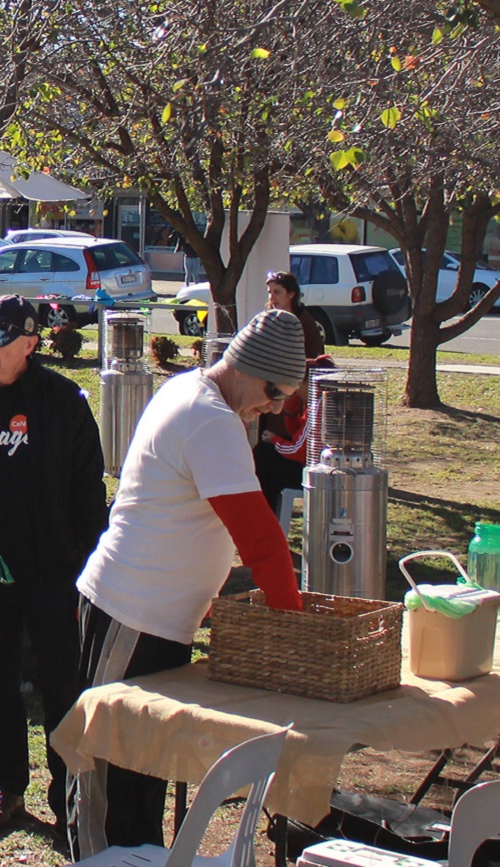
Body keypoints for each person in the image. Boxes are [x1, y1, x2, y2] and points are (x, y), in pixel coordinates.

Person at [72, 308, 308, 852]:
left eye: (285, 401)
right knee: (107, 775)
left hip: (158, 622)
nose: (271, 408)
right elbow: (263, 543)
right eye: (273, 392)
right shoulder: (210, 419)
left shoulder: (198, 397)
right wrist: (294, 629)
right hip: (131, 613)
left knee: (145, 775)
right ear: (245, 367)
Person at [0, 294, 109, 831]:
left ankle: (68, 796)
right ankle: (8, 785)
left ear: (30, 343)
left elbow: (87, 491)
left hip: (52, 570)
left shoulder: (63, 402)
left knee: (60, 684)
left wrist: (84, 570)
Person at [252, 272, 331, 512]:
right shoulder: (270, 317)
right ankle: (266, 508)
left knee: (268, 454)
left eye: (277, 292)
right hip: (273, 392)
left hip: (289, 395)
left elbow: (310, 364)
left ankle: (270, 511)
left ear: (292, 294)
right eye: (269, 292)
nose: (272, 297)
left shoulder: (302, 324)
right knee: (262, 449)